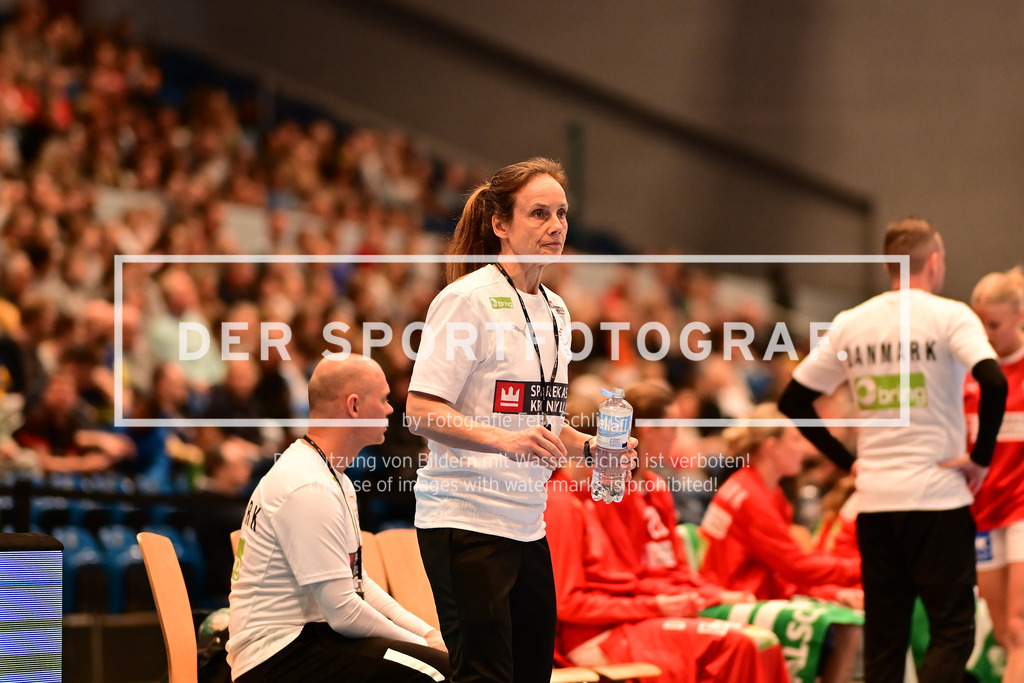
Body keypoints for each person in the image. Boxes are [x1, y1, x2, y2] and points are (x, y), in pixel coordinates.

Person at [405, 157, 628, 683]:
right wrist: (503, 441)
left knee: (533, 675)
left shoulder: (556, 309)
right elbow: (420, 410)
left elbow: (543, 422)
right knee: (485, 676)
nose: (555, 226)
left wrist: (594, 449)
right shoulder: (467, 300)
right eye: (539, 214)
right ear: (500, 225)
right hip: (465, 519)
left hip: (527, 524)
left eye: (562, 214)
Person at [778, 217, 1008, 683]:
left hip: (877, 502)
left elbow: (793, 400)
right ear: (935, 262)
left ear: (888, 265)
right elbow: (994, 380)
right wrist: (981, 458)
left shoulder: (852, 323)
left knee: (886, 635)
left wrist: (848, 462)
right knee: (952, 631)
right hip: (938, 498)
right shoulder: (950, 315)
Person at [226, 355, 450, 683]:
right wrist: (420, 646)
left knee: (437, 661)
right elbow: (344, 613)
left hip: (308, 640)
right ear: (354, 406)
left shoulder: (333, 477)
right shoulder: (307, 485)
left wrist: (428, 634)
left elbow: (358, 584)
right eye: (384, 399)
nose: (391, 409)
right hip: (275, 658)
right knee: (438, 672)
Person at [545, 397, 790, 683]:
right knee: (739, 644)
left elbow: (637, 576)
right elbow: (568, 603)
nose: (626, 461)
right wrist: (658, 605)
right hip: (600, 633)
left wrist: (678, 600)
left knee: (756, 642)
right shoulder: (562, 501)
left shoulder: (612, 494)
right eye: (618, 449)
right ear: (591, 447)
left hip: (635, 617)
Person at [964, 266, 1024, 681]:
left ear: (1020, 317)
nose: (986, 334)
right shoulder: (966, 374)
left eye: (996, 324)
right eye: (979, 323)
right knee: (1002, 632)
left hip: (1022, 511)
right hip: (983, 512)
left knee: (1021, 626)